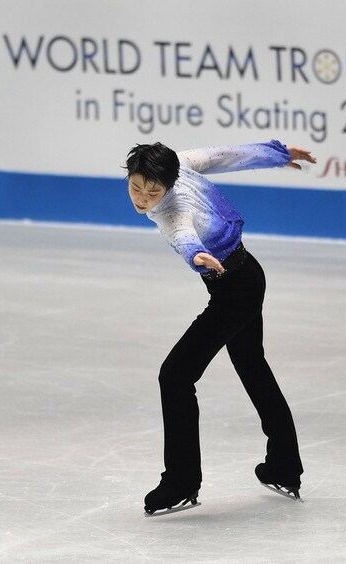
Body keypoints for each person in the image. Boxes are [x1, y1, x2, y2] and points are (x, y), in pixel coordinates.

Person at [124, 139, 316, 516]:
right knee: (251, 366)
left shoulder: (172, 210)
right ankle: (283, 467)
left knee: (175, 375)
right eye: (136, 186)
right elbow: (229, 155)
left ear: (168, 183)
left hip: (234, 289)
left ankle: (180, 482)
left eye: (153, 191)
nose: (143, 198)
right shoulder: (180, 162)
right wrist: (278, 154)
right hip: (245, 276)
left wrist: (195, 256)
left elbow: (183, 232)